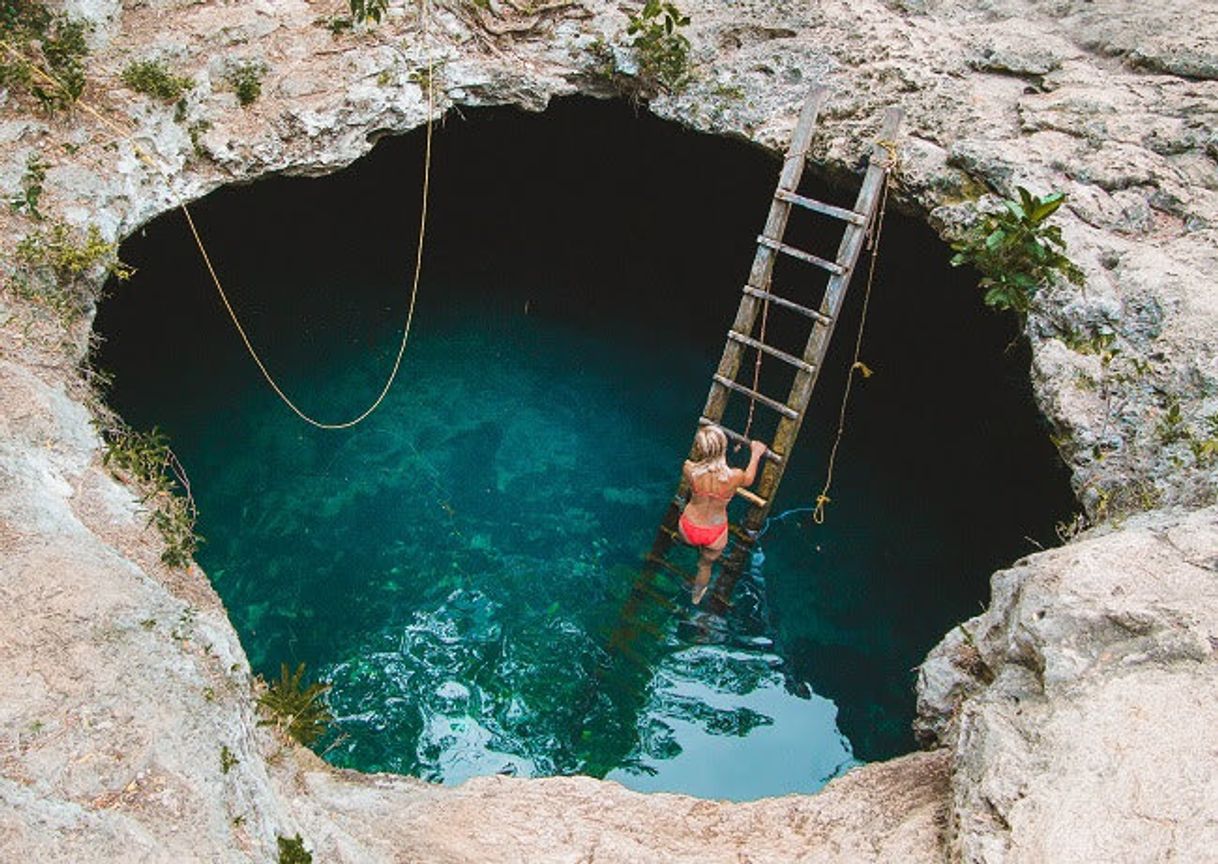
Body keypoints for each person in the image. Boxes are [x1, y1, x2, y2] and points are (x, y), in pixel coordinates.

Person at [678, 425, 767, 604]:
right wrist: (755, 454)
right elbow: (749, 479)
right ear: (723, 448)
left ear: (699, 448)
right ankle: (696, 597)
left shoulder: (690, 470)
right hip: (714, 533)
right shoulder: (734, 476)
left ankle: (689, 554)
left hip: (688, 529)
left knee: (691, 546)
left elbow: (698, 466)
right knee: (705, 566)